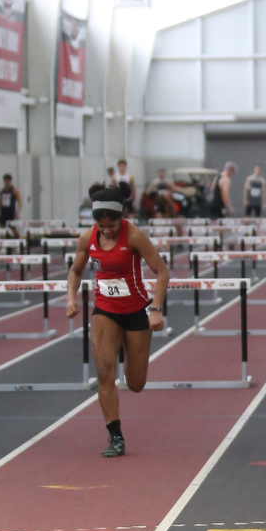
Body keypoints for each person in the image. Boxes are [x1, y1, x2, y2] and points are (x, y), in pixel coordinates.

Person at [66, 182, 169, 457]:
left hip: (136, 310)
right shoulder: (87, 237)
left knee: (135, 383)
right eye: (102, 226)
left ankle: (127, 348)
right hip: (105, 309)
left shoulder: (134, 235)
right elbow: (76, 271)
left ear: (120, 217)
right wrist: (71, 298)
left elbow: (162, 271)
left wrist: (156, 308)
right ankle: (116, 437)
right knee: (104, 372)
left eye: (111, 225)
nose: (107, 231)